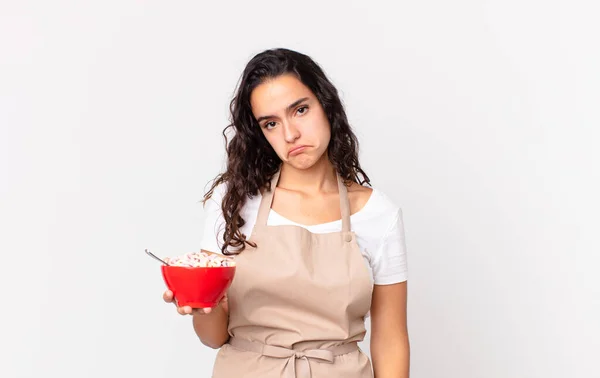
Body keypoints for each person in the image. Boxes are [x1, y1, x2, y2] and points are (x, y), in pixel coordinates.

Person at [163, 48, 410, 378]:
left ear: (327, 104)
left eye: (301, 110)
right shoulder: (234, 202)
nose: (290, 134)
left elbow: (390, 339)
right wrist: (199, 306)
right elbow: (213, 336)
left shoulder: (378, 215)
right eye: (271, 123)